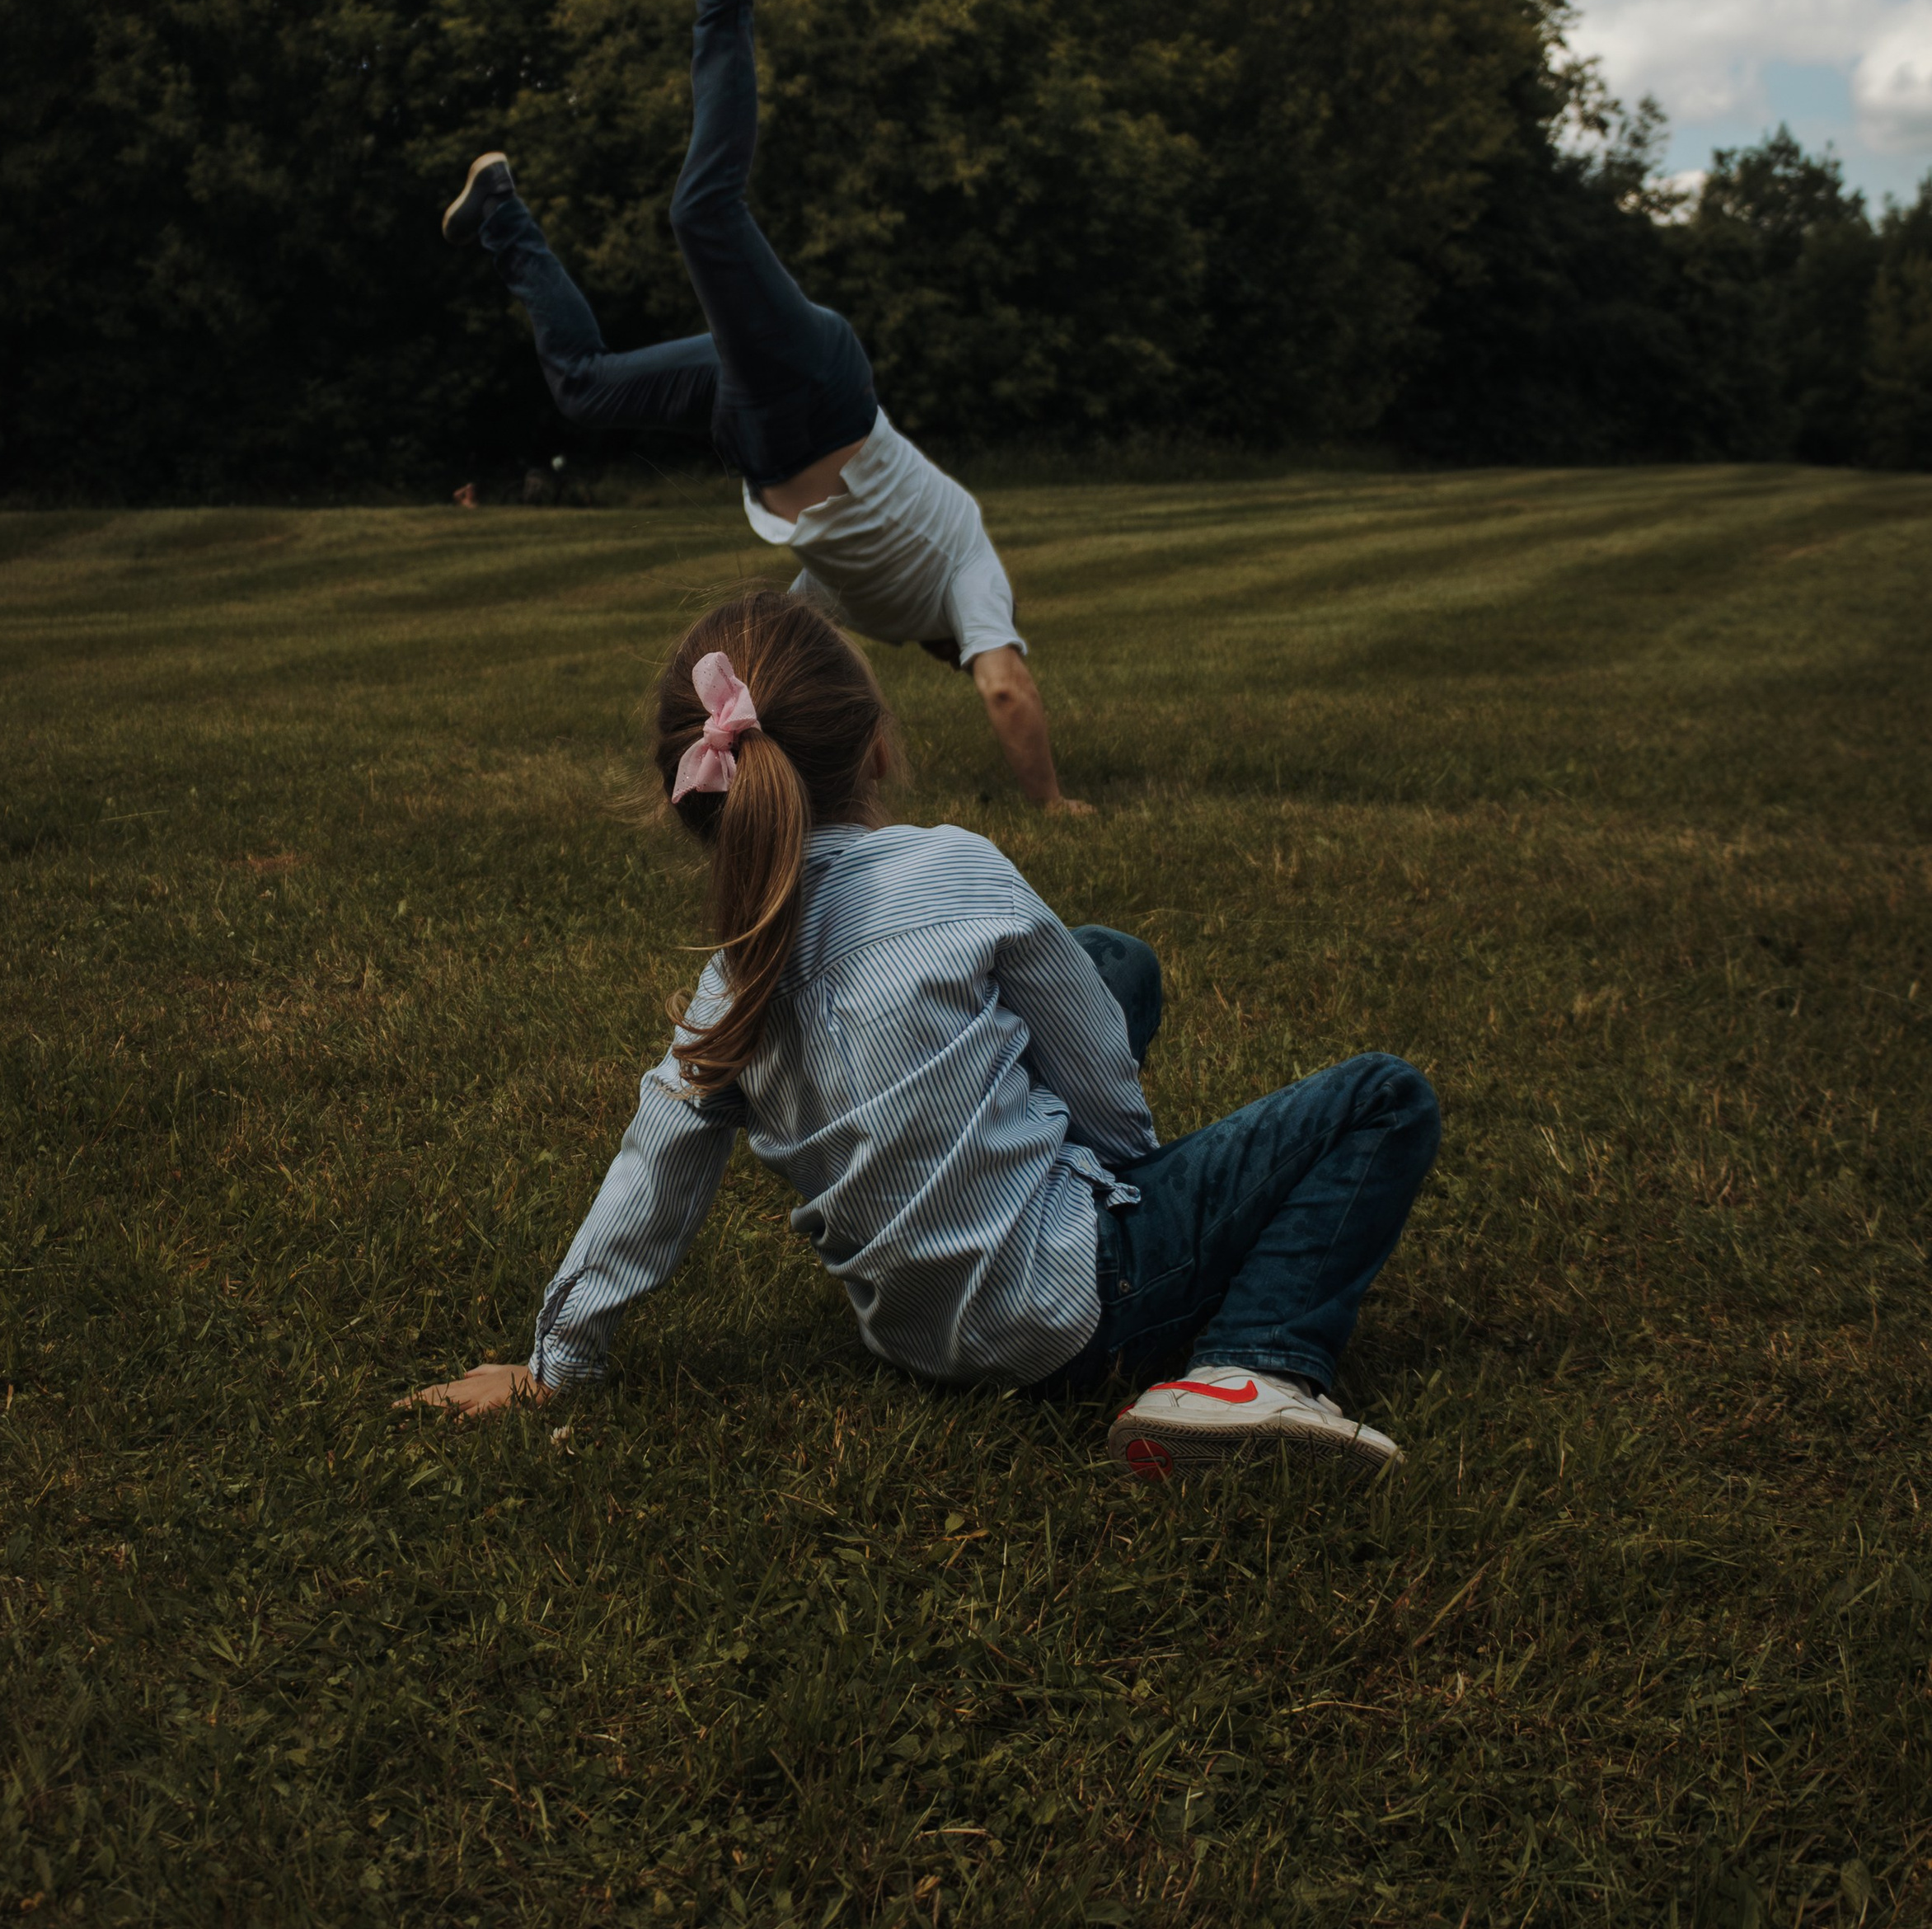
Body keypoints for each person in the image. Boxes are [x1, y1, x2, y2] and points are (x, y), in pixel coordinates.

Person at [403, 588, 1441, 1480]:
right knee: (1383, 1097)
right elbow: (1101, 1086)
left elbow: (650, 1179)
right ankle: (1252, 1368)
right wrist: (1139, 1205)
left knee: (1110, 959)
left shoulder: (731, 984)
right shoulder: (956, 872)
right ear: (877, 745)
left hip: (914, 1336)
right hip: (1077, 1308)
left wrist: (555, 1364)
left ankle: (1110, 1269)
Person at [440, 0, 1090, 814]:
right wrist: (1052, 802)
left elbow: (792, 633)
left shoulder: (876, 592)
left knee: (584, 385)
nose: (970, 658)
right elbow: (1006, 689)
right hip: (817, 393)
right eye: (979, 648)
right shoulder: (970, 569)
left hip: (750, 427)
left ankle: (501, 215)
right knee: (703, 214)